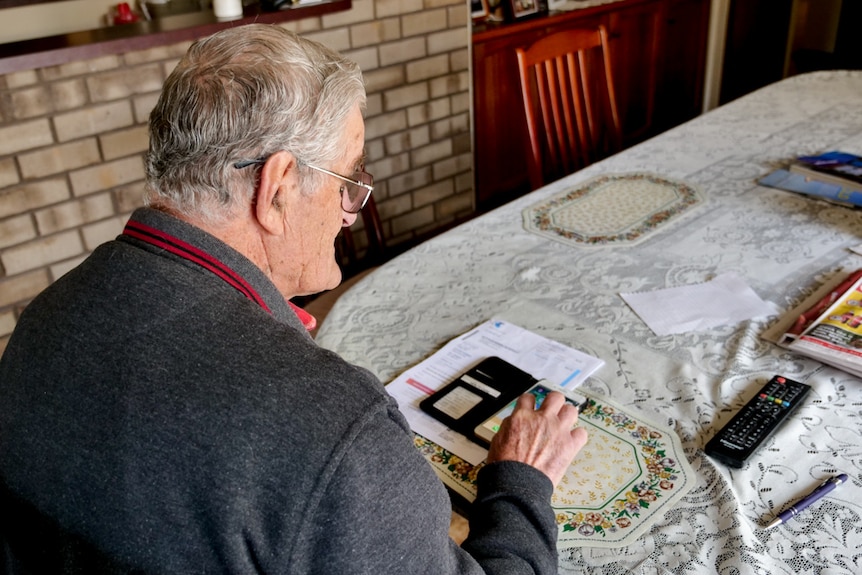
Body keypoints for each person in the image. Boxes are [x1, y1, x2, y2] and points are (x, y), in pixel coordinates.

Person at [0, 24, 588, 574]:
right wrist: (522, 480)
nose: (351, 212)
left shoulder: (44, 318)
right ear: (277, 189)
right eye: (348, 180)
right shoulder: (335, 436)